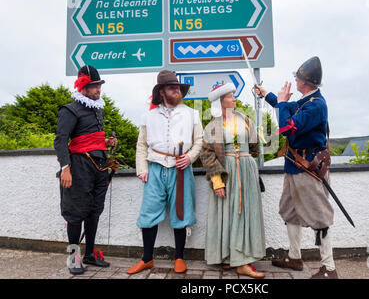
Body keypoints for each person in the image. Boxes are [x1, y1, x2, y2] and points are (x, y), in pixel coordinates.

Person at [254, 56, 338, 279]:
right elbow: (287, 107)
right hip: (294, 165)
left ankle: (329, 268)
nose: (295, 81)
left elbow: (287, 128)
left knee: (320, 216)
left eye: (298, 78)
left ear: (304, 82)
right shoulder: (306, 101)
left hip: (308, 168)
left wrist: (281, 103)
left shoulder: (316, 106)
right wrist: (267, 94)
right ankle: (294, 257)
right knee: (290, 211)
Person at [127, 70, 203, 275]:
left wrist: (190, 157)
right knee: (148, 213)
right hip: (155, 167)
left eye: (178, 87)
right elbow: (141, 145)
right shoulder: (148, 115)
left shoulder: (191, 113)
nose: (176, 90)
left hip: (181, 167)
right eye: (172, 88)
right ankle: (147, 259)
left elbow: (199, 141)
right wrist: (142, 169)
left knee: (182, 212)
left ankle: (179, 257)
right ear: (161, 92)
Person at [54, 65, 117, 275]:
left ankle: (89, 254)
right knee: (75, 213)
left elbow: (90, 139)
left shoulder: (98, 108)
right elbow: (61, 140)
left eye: (99, 85)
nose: (98, 89)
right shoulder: (70, 109)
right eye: (93, 86)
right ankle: (73, 259)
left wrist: (106, 142)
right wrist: (65, 168)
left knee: (94, 211)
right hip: (79, 166)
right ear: (83, 87)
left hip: (99, 165)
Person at [200, 83, 266, 279]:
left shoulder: (245, 119)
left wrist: (246, 162)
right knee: (229, 214)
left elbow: (255, 147)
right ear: (221, 102)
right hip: (226, 172)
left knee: (246, 214)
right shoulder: (213, 126)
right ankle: (232, 259)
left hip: (246, 170)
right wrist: (218, 181)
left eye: (233, 96)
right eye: (230, 96)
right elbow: (207, 155)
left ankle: (242, 260)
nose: (234, 99)